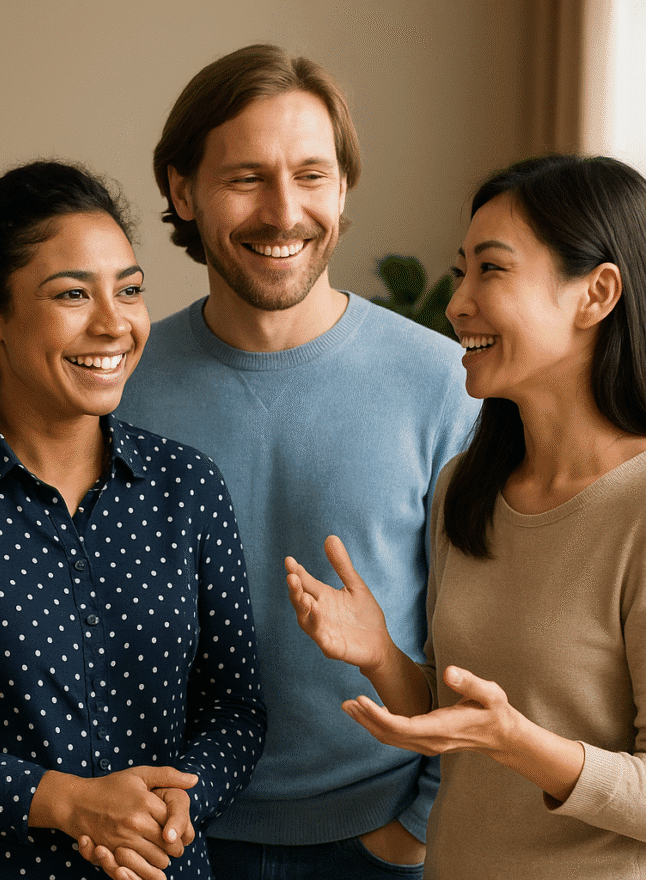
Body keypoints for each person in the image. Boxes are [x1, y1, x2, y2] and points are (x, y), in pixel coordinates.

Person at [110, 44, 479, 879]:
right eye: (246, 178)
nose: (285, 211)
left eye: (312, 175)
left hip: (379, 841)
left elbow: (484, 642)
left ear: (343, 187)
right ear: (181, 189)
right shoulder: (120, 386)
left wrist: (417, 827)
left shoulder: (443, 385)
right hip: (168, 839)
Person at [0, 160, 266, 880]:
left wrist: (168, 813)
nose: (114, 323)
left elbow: (235, 708)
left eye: (128, 290)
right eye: (73, 293)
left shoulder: (189, 488)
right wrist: (65, 803)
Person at [287, 153, 646, 878]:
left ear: (597, 292)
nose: (457, 304)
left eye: (492, 269)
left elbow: (504, 735)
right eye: (461, 272)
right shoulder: (468, 486)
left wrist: (519, 742)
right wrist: (381, 655)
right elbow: (460, 715)